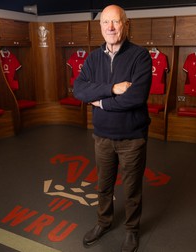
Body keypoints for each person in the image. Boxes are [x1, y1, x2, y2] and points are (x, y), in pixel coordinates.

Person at [73, 4, 152, 252]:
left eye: (116, 22)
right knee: (103, 186)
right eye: (106, 22)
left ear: (125, 25)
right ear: (100, 27)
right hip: (103, 137)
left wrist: (99, 102)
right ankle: (103, 222)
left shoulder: (140, 56)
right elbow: (79, 90)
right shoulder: (93, 58)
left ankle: (131, 230)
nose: (110, 27)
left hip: (131, 138)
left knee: (131, 190)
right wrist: (113, 88)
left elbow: (135, 98)